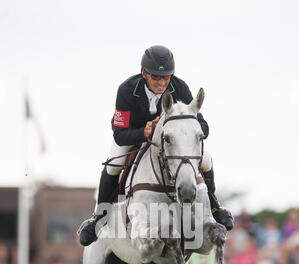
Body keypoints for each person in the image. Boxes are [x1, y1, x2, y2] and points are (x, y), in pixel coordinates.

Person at [78, 45, 234, 246]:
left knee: (206, 158)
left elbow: (203, 126)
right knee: (113, 164)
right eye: (156, 77)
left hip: (170, 141)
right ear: (144, 73)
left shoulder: (180, 87)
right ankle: (100, 216)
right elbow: (119, 134)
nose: (161, 82)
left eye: (165, 77)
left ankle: (214, 207)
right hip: (133, 135)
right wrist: (142, 132)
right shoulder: (126, 90)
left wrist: (182, 128)